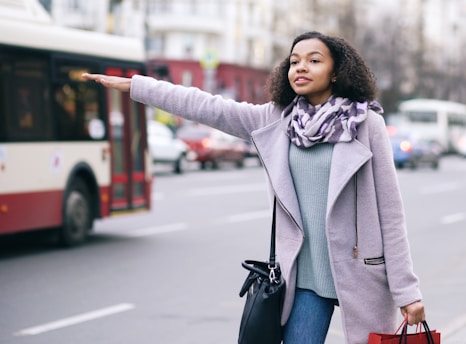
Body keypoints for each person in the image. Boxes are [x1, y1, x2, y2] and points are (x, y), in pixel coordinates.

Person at [83, 31, 426, 344]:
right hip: (304, 279)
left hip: (362, 274)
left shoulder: (367, 125)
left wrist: (407, 292)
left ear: (337, 72)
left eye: (314, 60)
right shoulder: (276, 120)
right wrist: (137, 87)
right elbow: (206, 106)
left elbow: (390, 215)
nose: (300, 67)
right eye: (294, 61)